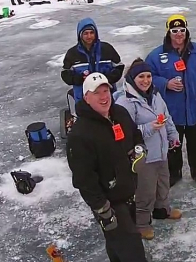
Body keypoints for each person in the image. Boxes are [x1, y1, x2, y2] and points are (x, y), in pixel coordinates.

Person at [67, 73, 149, 262]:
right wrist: (102, 208)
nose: (104, 97)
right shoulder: (80, 134)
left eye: (106, 91)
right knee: (132, 249)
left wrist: (138, 149)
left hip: (128, 191)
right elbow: (83, 177)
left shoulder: (119, 113)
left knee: (117, 243)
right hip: (109, 203)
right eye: (97, 93)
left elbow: (135, 134)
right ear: (86, 97)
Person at [145, 14, 196, 188]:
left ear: (187, 31)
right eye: (174, 30)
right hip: (171, 111)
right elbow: (146, 78)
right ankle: (173, 173)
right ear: (168, 32)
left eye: (182, 30)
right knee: (172, 144)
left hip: (195, 107)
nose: (178, 34)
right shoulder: (156, 55)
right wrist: (165, 83)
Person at [115, 59, 182, 240]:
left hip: (161, 151)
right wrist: (150, 127)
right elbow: (127, 134)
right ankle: (142, 223)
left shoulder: (156, 95)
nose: (146, 80)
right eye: (141, 77)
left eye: (148, 76)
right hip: (144, 157)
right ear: (132, 79)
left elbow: (166, 117)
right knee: (145, 191)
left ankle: (162, 209)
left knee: (163, 183)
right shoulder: (125, 103)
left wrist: (173, 136)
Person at [61, 18, 125, 120]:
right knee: (88, 124)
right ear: (80, 35)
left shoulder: (106, 49)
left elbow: (119, 67)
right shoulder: (72, 54)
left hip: (106, 96)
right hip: (83, 98)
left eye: (92, 32)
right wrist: (80, 79)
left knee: (109, 120)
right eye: (85, 33)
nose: (89, 36)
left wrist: (106, 79)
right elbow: (65, 74)